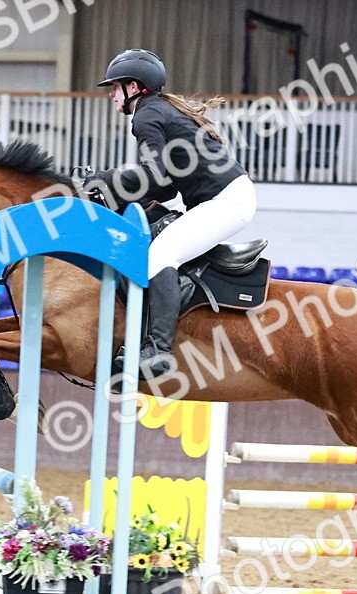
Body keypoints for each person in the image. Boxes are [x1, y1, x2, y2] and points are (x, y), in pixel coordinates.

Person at [84, 49, 257, 378]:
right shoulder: (159, 110)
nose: (111, 94)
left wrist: (105, 179)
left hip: (227, 202)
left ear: (133, 88)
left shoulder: (146, 116)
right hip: (225, 199)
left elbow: (152, 175)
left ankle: (159, 352)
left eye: (115, 87)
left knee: (161, 253)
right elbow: (163, 187)